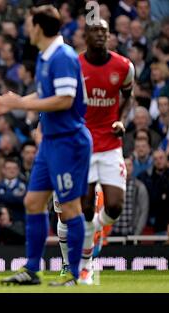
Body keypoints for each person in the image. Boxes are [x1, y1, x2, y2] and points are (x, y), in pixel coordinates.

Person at [0, 5, 92, 286]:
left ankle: (74, 274)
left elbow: (65, 99)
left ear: (38, 27)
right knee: (33, 202)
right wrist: (18, 99)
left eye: (28, 23)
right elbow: (47, 94)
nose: (26, 28)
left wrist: (21, 103)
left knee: (70, 208)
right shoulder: (46, 57)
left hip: (69, 142)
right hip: (50, 142)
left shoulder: (63, 56)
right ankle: (32, 270)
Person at [55, 19, 135, 285]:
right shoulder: (74, 65)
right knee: (86, 208)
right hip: (83, 145)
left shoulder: (123, 66)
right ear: (85, 37)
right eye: (95, 31)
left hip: (111, 146)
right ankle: (86, 266)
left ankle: (95, 230)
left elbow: (128, 94)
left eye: (104, 31)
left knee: (114, 206)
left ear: (109, 36)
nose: (101, 35)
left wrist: (121, 119)